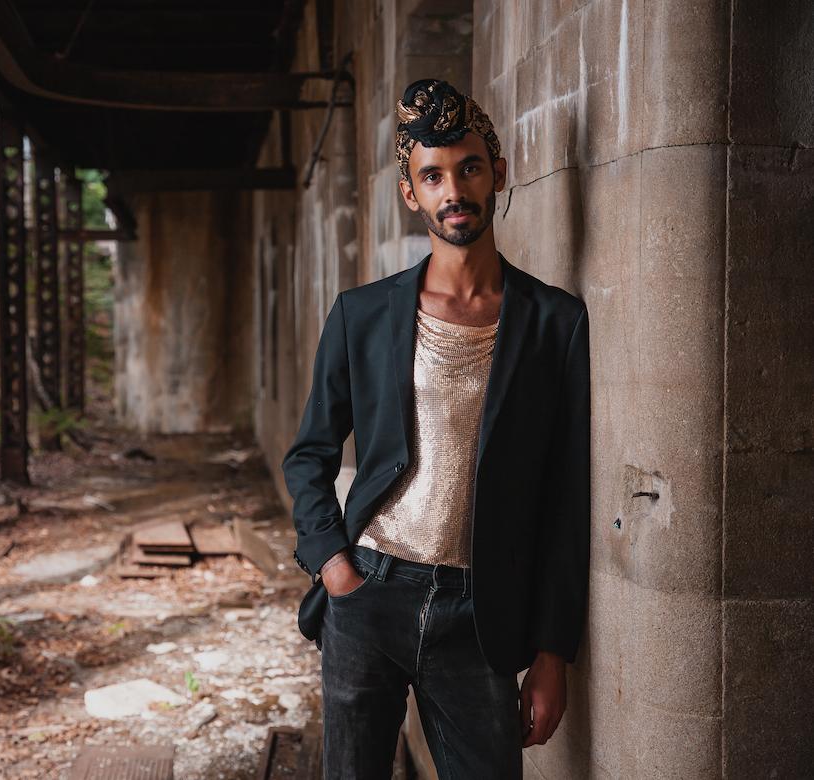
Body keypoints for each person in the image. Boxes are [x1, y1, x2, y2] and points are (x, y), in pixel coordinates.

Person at [281, 78, 591, 779]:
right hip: (368, 595)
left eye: (469, 168)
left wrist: (551, 652)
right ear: (411, 193)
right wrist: (335, 566)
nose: (454, 189)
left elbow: (565, 500)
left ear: (498, 173)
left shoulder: (555, 322)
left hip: (480, 615)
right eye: (433, 175)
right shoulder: (362, 315)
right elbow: (309, 455)